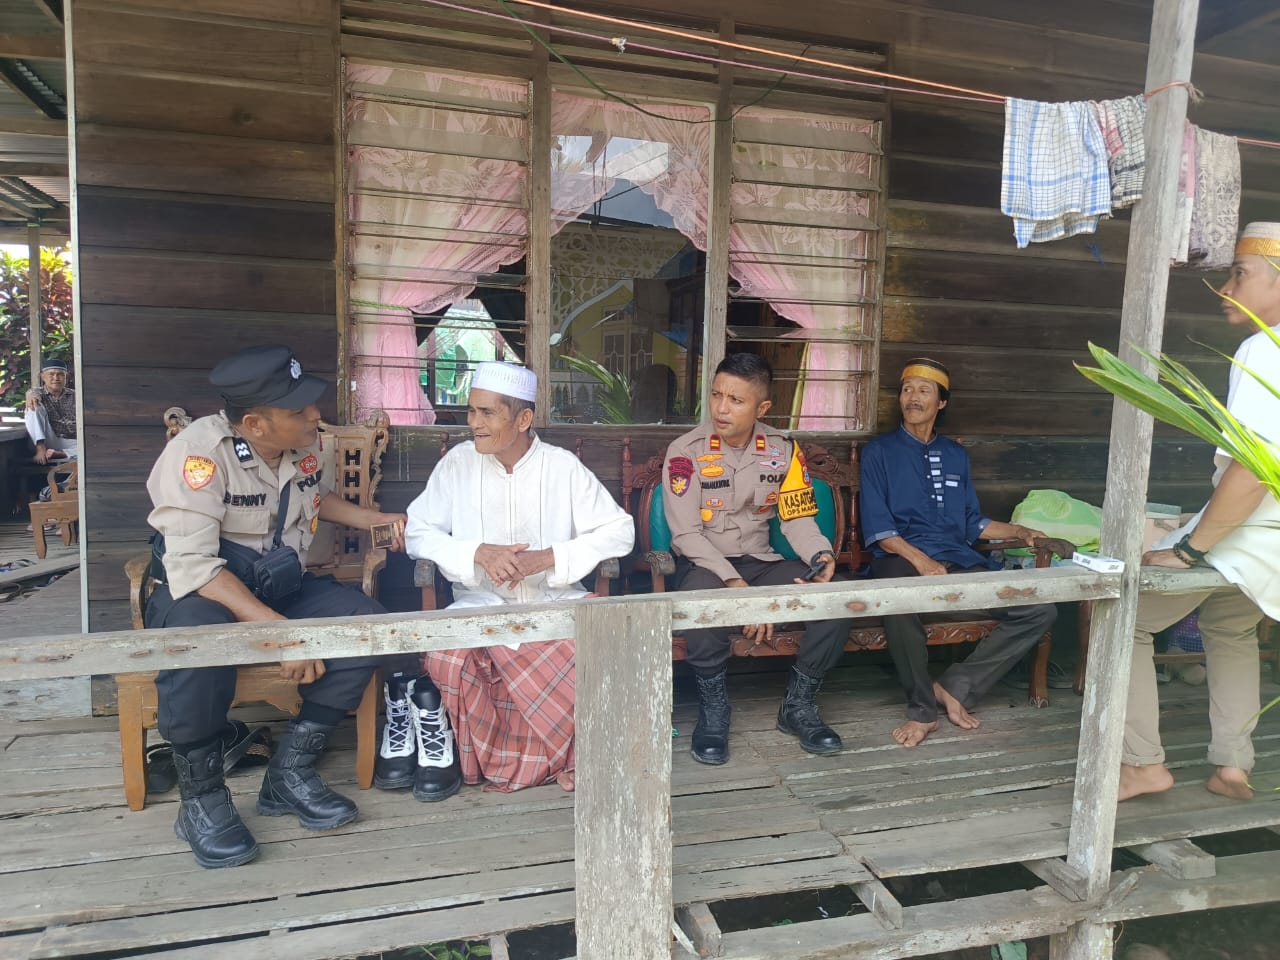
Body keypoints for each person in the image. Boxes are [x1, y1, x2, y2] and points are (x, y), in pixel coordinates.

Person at [145, 344, 459, 870]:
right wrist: (283, 633)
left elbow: (318, 499)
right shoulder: (197, 457)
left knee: (368, 626)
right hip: (205, 592)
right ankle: (200, 799)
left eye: (310, 403)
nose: (315, 415)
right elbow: (196, 569)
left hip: (279, 584)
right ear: (254, 423)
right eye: (298, 411)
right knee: (196, 645)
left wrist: (378, 520)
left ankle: (288, 773)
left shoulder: (306, 447)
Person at [404, 361, 634, 792]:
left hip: (554, 602)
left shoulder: (562, 467)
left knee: (613, 636)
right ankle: (519, 762)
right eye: (472, 412)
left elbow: (620, 531)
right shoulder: (457, 464)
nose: (474, 424)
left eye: (488, 413)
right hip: (481, 605)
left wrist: (550, 557)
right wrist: (476, 553)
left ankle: (570, 756)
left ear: (523, 419)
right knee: (447, 657)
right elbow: (418, 531)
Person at [1120, 221, 1280, 803]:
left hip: (1249, 533)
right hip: (1271, 543)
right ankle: (1232, 766)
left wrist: (1190, 546)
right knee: (1231, 628)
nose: (1227, 288)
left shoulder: (1266, 346)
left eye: (1240, 274)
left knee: (1126, 619)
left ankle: (1142, 764)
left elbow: (1256, 467)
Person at [663, 353, 851, 766]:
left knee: (835, 600)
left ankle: (798, 705)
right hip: (709, 568)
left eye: (735, 400)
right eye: (716, 395)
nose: (721, 408)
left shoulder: (784, 450)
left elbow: (797, 517)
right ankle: (714, 711)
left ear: (762, 408)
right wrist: (736, 588)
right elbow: (686, 534)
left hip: (763, 565)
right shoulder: (685, 452)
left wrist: (821, 555)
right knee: (702, 606)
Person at [860, 358, 1057, 748]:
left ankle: (954, 686)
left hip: (960, 566)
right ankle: (922, 711)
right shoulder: (879, 452)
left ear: (942, 403)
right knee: (897, 593)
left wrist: (1020, 531)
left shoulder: (955, 456)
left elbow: (971, 523)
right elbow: (880, 529)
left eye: (923, 390)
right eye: (906, 389)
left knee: (1041, 608)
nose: (912, 398)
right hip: (903, 563)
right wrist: (923, 562)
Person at [24, 357, 77, 464]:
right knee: (34, 407)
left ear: (66, 377)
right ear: (43, 377)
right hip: (46, 439)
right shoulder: (37, 392)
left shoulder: (76, 395)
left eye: (60, 374)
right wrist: (33, 398)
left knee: (95, 447)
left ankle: (60, 453)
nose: (56, 378)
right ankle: (40, 449)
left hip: (70, 441)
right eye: (51, 374)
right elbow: (32, 394)